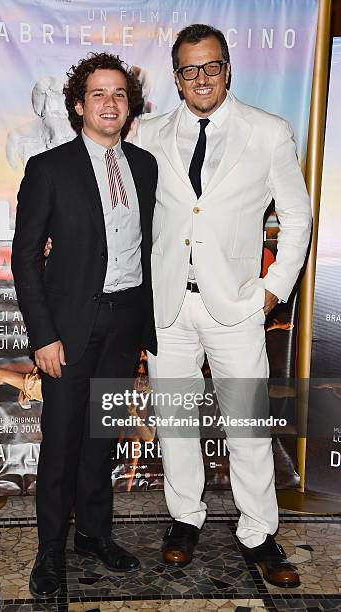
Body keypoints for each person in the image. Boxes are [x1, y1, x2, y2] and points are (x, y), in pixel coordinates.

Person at [132, 24, 312, 588]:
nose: (201, 78)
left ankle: (258, 530)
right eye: (189, 69)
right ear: (177, 76)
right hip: (167, 307)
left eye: (211, 66)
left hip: (235, 305)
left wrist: (271, 290)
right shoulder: (148, 132)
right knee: (176, 421)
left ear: (228, 69)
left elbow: (298, 218)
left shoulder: (268, 132)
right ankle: (185, 518)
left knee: (249, 425)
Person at [11, 52, 157, 599]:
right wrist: (43, 335)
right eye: (98, 94)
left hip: (124, 324)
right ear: (78, 105)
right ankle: (50, 550)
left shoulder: (143, 165)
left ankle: (94, 535)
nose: (110, 103)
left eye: (119, 94)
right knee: (64, 441)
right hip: (69, 330)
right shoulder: (49, 168)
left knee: (101, 437)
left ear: (129, 105)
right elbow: (26, 258)